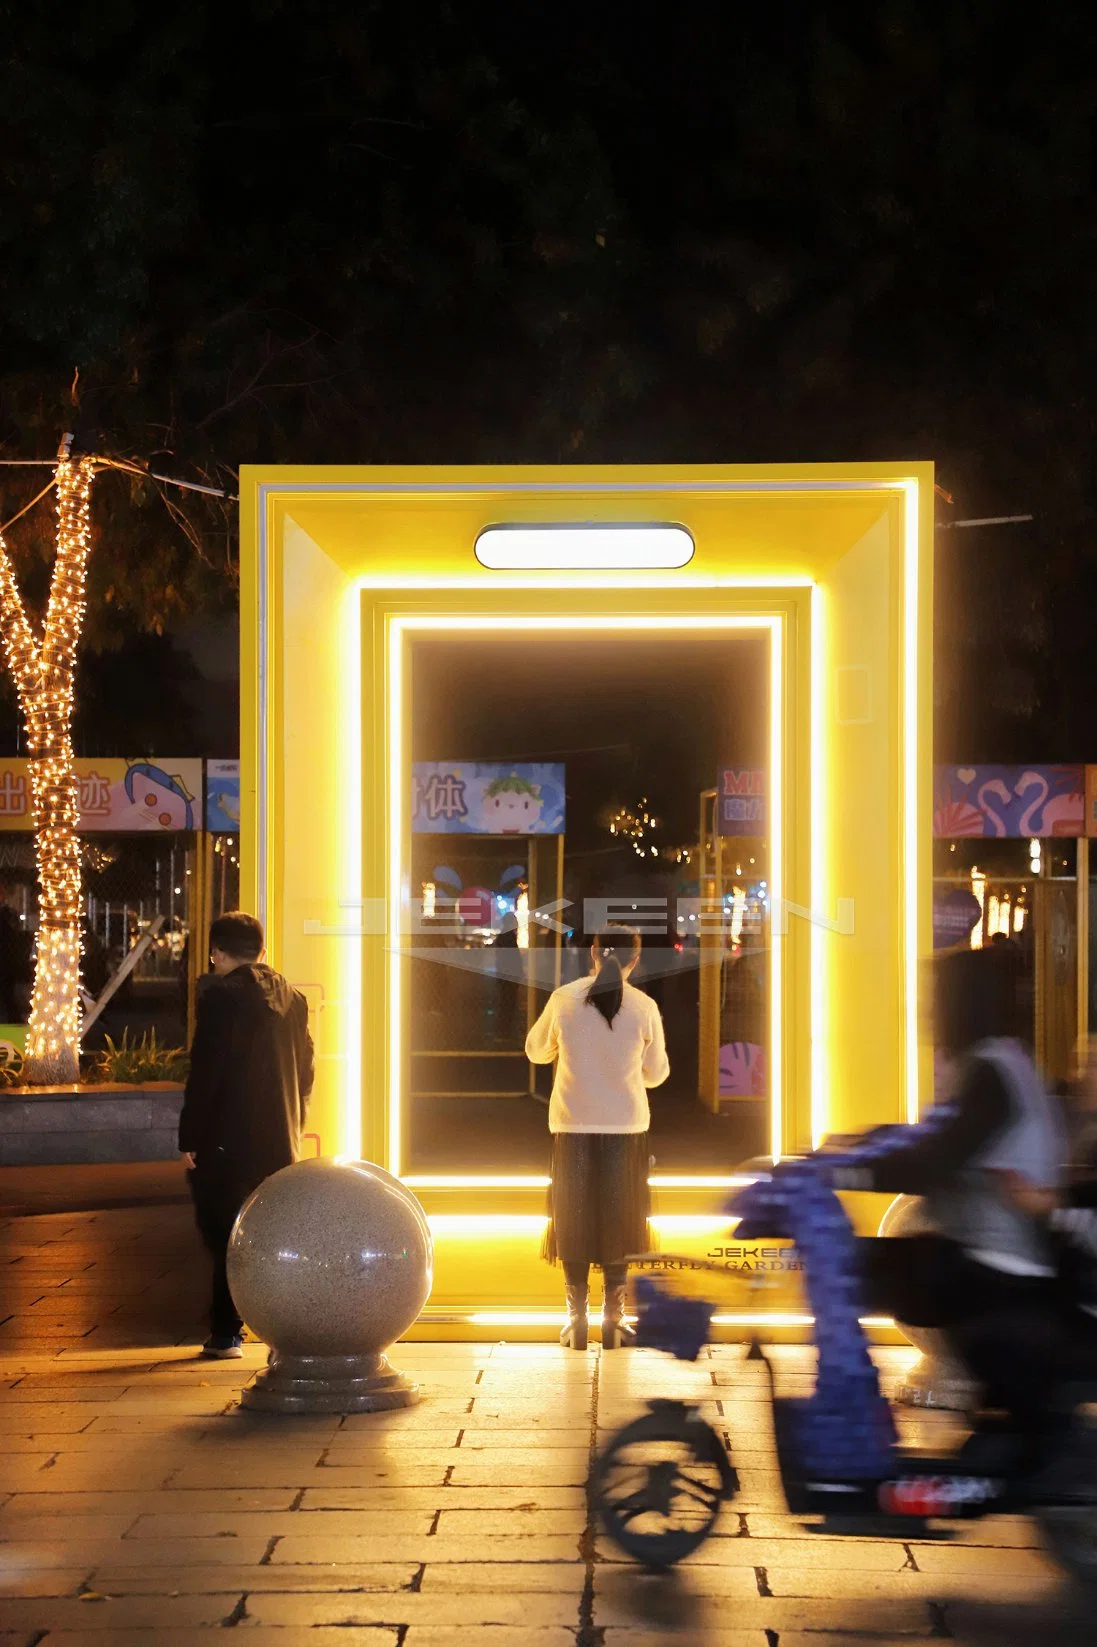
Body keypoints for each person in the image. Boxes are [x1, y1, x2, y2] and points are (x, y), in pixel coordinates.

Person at [834, 944, 1076, 1463]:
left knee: (855, 1269)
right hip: (980, 1255)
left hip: (997, 1269)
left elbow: (934, 1160)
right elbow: (928, 1140)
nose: (924, 1012)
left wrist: (846, 1168)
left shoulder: (992, 1072)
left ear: (961, 1002)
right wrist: (853, 1146)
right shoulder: (990, 1064)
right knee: (865, 1267)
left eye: (933, 998)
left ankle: (850, 1427)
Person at [526, 924, 669, 1350]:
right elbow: (656, 1074)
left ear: (592, 952)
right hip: (625, 1127)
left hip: (572, 1125)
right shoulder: (644, 1007)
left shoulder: (564, 999)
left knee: (572, 1217)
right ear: (635, 960)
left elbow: (536, 1049)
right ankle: (615, 1319)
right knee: (619, 1219)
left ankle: (576, 1320)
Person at [178, 911, 314, 1358]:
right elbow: (306, 1070)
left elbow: (207, 1072)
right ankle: (281, 1333)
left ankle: (226, 1332)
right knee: (271, 1234)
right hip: (279, 1139)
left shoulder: (221, 999)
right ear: (260, 950)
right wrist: (294, 1121)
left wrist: (190, 1135)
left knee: (226, 1236)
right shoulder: (293, 999)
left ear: (217, 952)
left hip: (226, 1139)